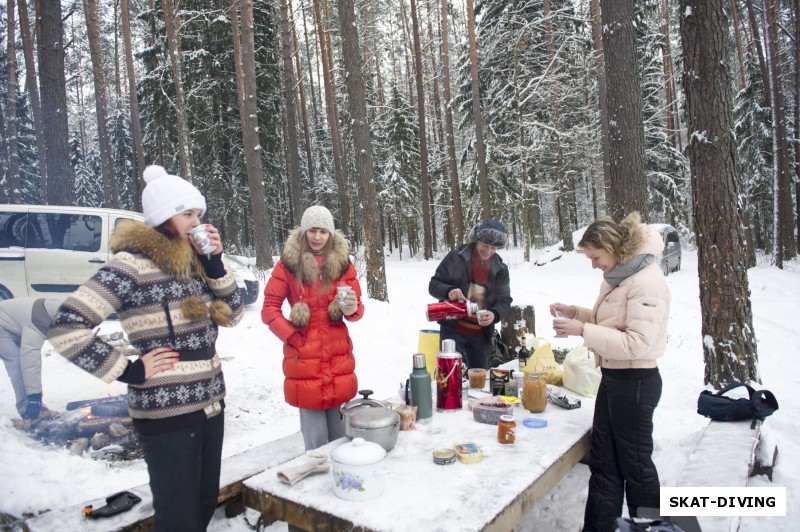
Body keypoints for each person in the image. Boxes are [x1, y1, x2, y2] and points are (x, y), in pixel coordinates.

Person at [48, 165, 244, 532]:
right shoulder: (131, 266)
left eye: (199, 214)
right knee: (178, 517)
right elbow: (66, 327)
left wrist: (215, 263)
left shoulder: (198, 263)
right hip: (166, 411)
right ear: (162, 218)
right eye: (187, 213)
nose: (196, 221)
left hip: (210, 403)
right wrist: (130, 370)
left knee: (202, 505)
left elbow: (232, 315)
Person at [549, 211, 670, 532]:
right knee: (605, 463)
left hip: (636, 382)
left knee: (636, 466)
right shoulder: (622, 275)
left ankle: (657, 527)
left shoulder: (646, 281)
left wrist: (582, 330)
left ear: (613, 247)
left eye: (595, 257)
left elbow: (636, 343)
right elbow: (612, 322)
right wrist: (577, 313)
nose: (593, 265)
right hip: (615, 378)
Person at [261, 205, 364, 451]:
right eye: (312, 231)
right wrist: (294, 338)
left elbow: (357, 311)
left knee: (341, 440)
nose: (317, 237)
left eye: (323, 231)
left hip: (338, 357)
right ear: (304, 231)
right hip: (305, 360)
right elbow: (269, 309)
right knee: (316, 445)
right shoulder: (288, 263)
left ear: (331, 234)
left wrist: (351, 308)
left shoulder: (343, 263)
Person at [428, 219, 512, 370]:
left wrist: (494, 314)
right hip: (452, 330)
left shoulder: (500, 269)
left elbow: (504, 300)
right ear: (476, 240)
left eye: (493, 248)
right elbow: (434, 285)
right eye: (485, 245)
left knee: (480, 381)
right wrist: (449, 291)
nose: (488, 251)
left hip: (481, 334)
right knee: (449, 376)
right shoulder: (456, 258)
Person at [0, 296, 64, 419]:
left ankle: (33, 405)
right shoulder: (39, 322)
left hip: (11, 323)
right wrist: (35, 397)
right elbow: (30, 361)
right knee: (17, 362)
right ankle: (26, 410)